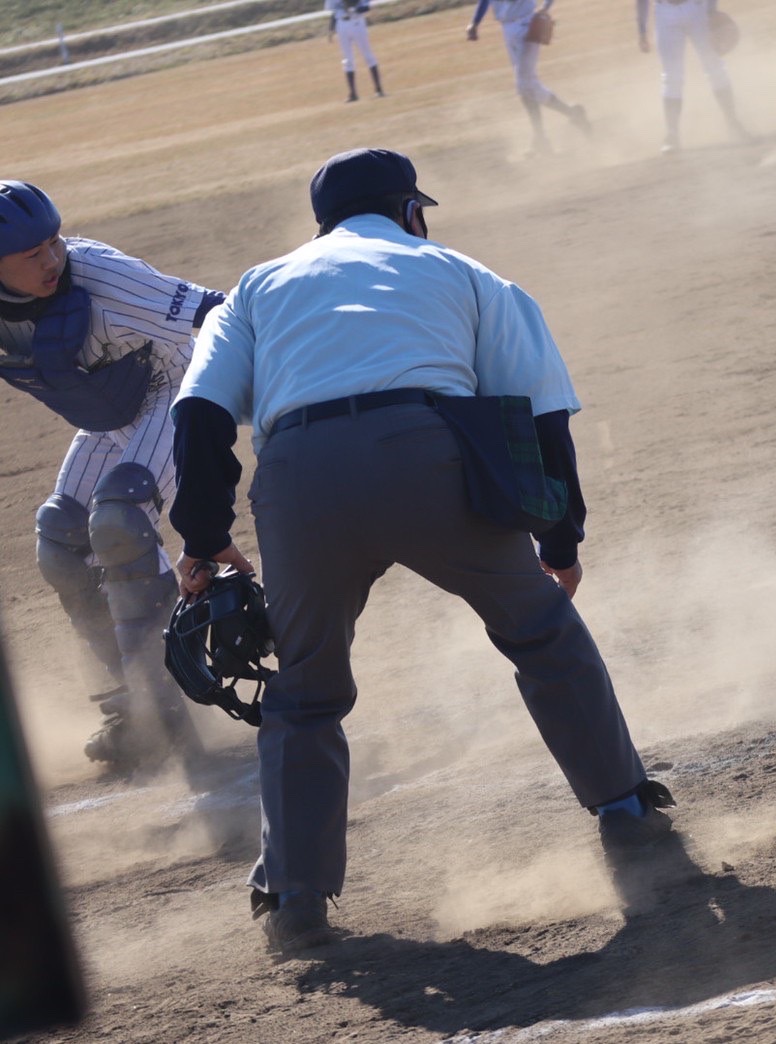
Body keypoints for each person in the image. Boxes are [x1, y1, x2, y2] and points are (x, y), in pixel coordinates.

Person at [167, 147, 674, 954]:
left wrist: (200, 537)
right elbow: (544, 416)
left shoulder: (259, 285)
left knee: (304, 693)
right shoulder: (464, 272)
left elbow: (198, 413)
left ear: (324, 223)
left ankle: (296, 896)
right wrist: (560, 537)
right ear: (409, 211)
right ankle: (624, 811)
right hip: (425, 458)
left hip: (300, 482)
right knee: (540, 631)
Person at [0, 180, 225, 774]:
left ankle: (171, 692)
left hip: (177, 394)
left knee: (121, 519)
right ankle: (130, 707)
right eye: (31, 253)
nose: (52, 259)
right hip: (108, 420)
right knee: (60, 542)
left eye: (53, 242)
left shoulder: (100, 272)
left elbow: (217, 311)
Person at [465, 0, 592, 156]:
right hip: (507, 29)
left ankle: (545, 136)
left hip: (527, 25)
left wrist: (545, 7)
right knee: (527, 87)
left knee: (523, 84)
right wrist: (475, 23)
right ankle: (566, 119)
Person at [636, 0, 751, 154]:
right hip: (665, 12)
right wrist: (642, 30)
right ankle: (672, 136)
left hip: (697, 9)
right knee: (671, 76)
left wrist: (711, 11)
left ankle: (733, 124)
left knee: (714, 67)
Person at [326, 0, 385, 103]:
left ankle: (378, 89)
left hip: (356, 22)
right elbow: (334, 12)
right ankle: (353, 94)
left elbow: (366, 7)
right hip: (342, 24)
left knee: (367, 55)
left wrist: (353, 8)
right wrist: (331, 29)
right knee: (347, 59)